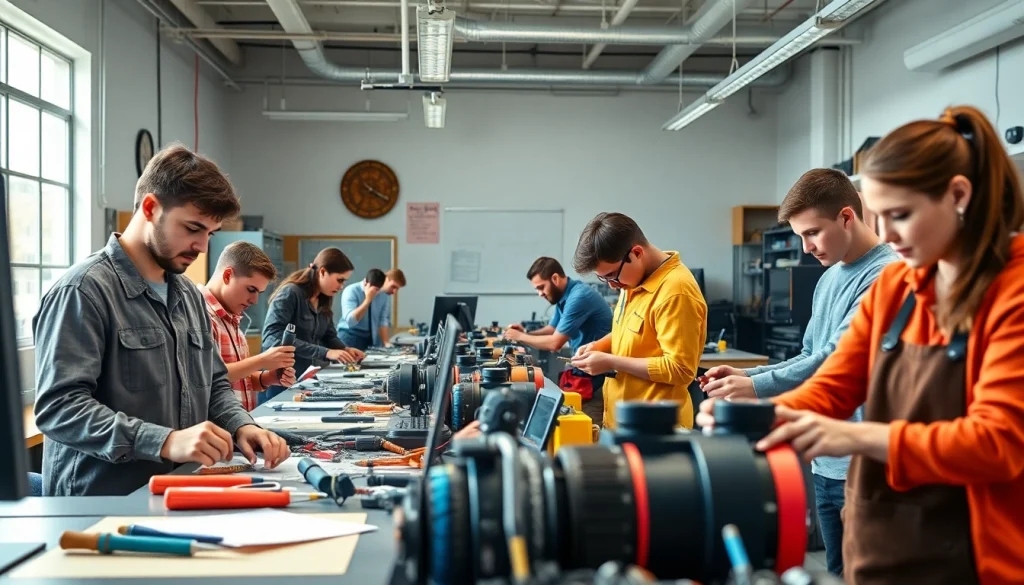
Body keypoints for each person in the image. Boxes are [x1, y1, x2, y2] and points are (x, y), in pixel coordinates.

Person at [699, 105, 1024, 585]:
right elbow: (833, 382)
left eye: (902, 215)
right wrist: (764, 415)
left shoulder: (1011, 291)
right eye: (881, 215)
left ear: (958, 195)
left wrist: (858, 436)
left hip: (978, 555)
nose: (888, 235)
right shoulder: (902, 286)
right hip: (887, 543)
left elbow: (997, 442)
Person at [32, 145, 290, 496]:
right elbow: (59, 409)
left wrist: (242, 426)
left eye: (210, 234)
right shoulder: (83, 291)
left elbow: (214, 384)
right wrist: (164, 441)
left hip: (176, 490)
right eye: (192, 228)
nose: (201, 246)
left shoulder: (188, 296)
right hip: (100, 502)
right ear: (151, 208)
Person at [698, 168, 897, 577]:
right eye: (800, 237)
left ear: (846, 216)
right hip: (824, 462)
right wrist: (750, 375)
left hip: (862, 463)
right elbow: (807, 352)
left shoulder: (885, 275)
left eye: (812, 233)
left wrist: (754, 386)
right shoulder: (828, 279)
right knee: (836, 569)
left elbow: (833, 359)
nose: (806, 249)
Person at [569, 212, 706, 429]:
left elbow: (680, 369)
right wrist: (599, 346)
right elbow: (630, 332)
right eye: (603, 278)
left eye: (612, 276)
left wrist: (611, 361)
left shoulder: (676, 291)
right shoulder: (632, 281)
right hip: (622, 423)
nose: (612, 285)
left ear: (636, 252)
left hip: (655, 430)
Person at [503, 257, 612, 424]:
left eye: (541, 287)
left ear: (555, 278)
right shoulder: (565, 296)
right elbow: (553, 329)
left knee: (584, 426)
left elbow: (555, 342)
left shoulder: (579, 297)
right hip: (584, 369)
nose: (540, 294)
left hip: (598, 376)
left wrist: (519, 337)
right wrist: (526, 332)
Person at [199, 241, 298, 411]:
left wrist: (267, 378)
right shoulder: (199, 314)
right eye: (251, 289)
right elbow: (208, 376)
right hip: (216, 431)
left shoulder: (231, 316)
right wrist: (262, 360)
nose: (254, 300)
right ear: (228, 275)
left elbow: (236, 378)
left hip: (240, 427)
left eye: (258, 293)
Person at [262, 247, 365, 402]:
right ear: (322, 272)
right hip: (282, 382)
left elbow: (329, 335)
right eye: (340, 280)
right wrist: (325, 352)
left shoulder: (323, 298)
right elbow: (272, 337)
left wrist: (345, 350)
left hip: (308, 382)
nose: (341, 286)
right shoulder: (290, 293)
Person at [337, 268, 406, 350]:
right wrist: (367, 300)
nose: (394, 292)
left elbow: (383, 320)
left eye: (397, 289)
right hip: (349, 336)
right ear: (386, 279)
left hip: (369, 338)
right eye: (393, 286)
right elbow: (351, 321)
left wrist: (385, 342)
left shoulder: (383, 296)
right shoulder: (351, 290)